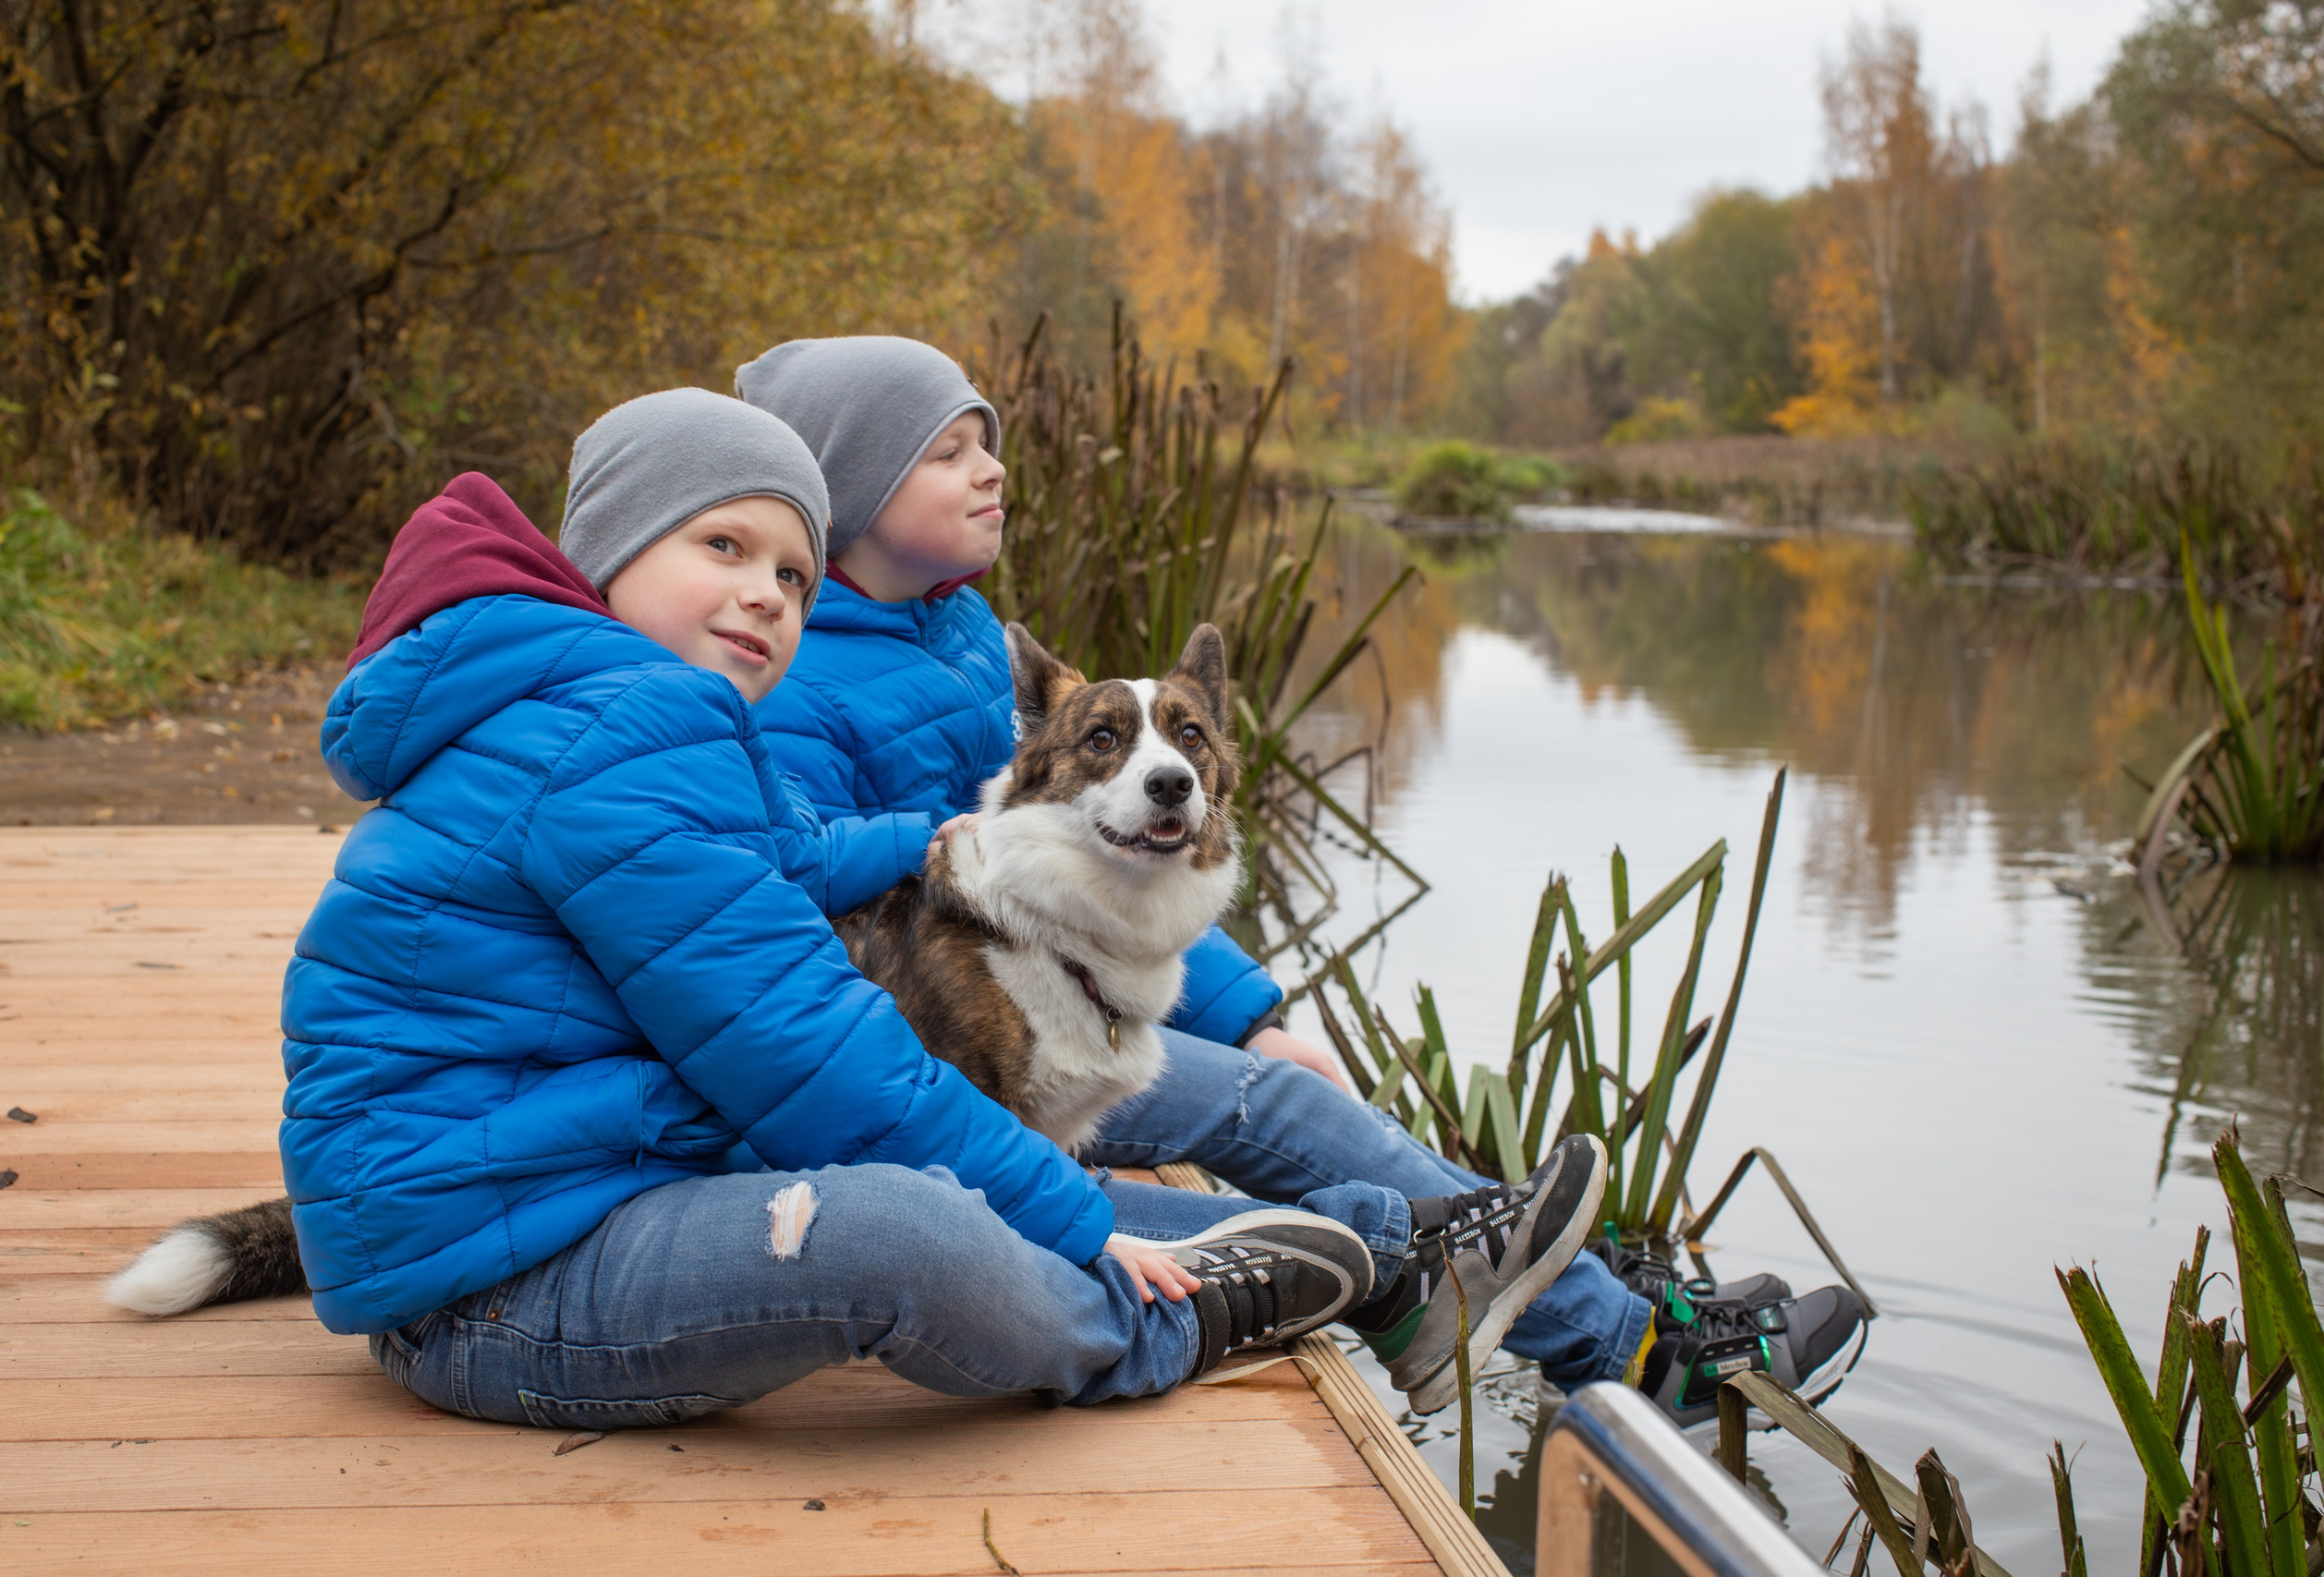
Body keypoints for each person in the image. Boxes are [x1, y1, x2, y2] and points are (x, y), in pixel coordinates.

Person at [287, 386, 1604, 1430]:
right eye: (724, 545)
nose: (766, 590)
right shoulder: (612, 739)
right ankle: (1166, 1322)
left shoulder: (630, 716)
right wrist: (1079, 1217)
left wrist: (926, 840)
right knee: (909, 1226)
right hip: (492, 1287)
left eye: (795, 575)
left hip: (590, 1183)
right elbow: (808, 1049)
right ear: (607, 551)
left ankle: (1389, 1260)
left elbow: (782, 857)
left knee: (976, 1185)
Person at [739, 337, 1868, 1409]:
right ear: (853, 490)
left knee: (1281, 1082)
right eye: (949, 453)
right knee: (1267, 1110)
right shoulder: (796, 677)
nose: (993, 470)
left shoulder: (966, 635)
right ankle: (1585, 1333)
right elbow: (823, 934)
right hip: (959, 1066)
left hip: (1060, 1009)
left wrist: (1249, 1011)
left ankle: (1603, 1324)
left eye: (985, 442)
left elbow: (1107, 856)